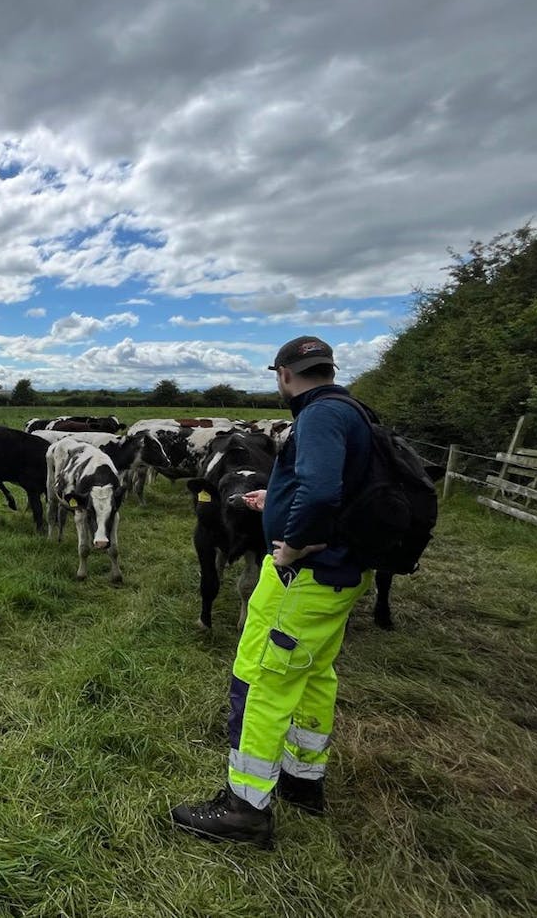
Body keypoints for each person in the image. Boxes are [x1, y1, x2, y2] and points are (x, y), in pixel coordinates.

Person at [170, 335, 374, 849]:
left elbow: (323, 491)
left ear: (283, 374)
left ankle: (244, 808)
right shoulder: (354, 410)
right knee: (313, 674)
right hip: (343, 573)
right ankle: (303, 781)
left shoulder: (320, 416)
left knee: (260, 680)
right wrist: (277, 498)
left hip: (305, 578)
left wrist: (293, 544)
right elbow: (336, 488)